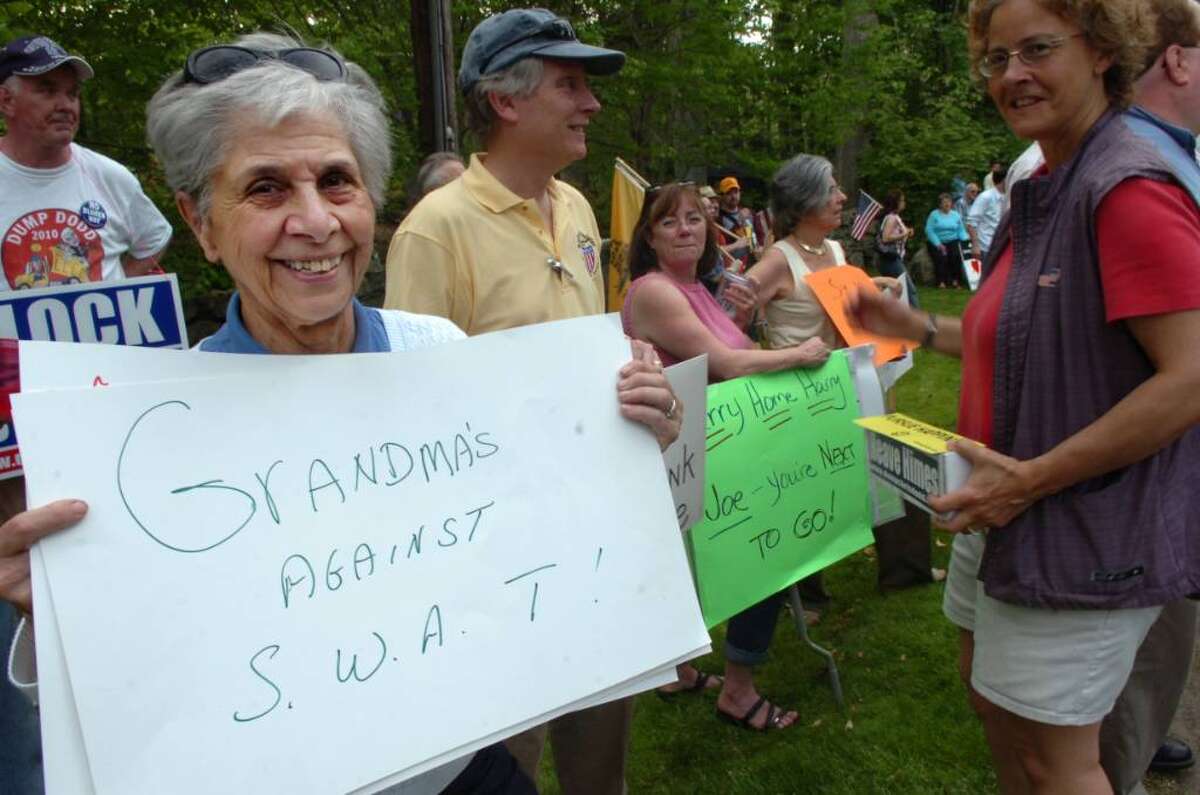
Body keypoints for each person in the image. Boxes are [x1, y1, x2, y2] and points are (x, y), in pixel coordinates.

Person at [2, 30, 679, 795]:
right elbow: (127, 708)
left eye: (336, 180)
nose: (315, 221)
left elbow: (534, 528)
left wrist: (628, 440)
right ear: (200, 225)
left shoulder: (442, 353)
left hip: (466, 772)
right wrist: (54, 611)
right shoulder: (152, 435)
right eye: (265, 188)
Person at [848, 1, 1200, 792]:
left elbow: (1192, 375)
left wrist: (1032, 478)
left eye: (1037, 50)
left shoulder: (1125, 185)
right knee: (994, 706)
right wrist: (921, 326)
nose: (1012, 76)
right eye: (996, 59)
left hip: (1077, 528)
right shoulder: (1044, 182)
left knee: (1057, 763)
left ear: (1104, 50)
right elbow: (1025, 335)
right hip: (1000, 512)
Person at [383, 9, 681, 793]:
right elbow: (410, 415)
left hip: (597, 529)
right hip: (498, 559)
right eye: (570, 84)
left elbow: (586, 344)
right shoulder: (434, 231)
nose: (593, 104)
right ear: (505, 101)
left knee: (600, 755)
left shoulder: (577, 208)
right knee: (507, 763)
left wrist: (635, 367)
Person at [620, 182, 830, 731]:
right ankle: (738, 690)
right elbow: (729, 367)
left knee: (690, 568)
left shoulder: (699, 289)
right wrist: (800, 354)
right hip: (685, 455)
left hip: (717, 447)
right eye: (670, 221)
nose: (686, 228)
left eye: (693, 218)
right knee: (761, 557)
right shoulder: (655, 290)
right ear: (649, 235)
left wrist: (747, 323)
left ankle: (681, 669)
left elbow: (735, 352)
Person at [746, 156, 939, 594]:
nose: (842, 197)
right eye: (832, 189)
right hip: (796, 396)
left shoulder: (831, 249)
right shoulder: (778, 259)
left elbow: (834, 297)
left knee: (892, 458)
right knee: (805, 487)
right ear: (803, 202)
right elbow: (731, 313)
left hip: (848, 381)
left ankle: (905, 570)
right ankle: (807, 592)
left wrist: (874, 287)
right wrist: (775, 351)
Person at [0, 36, 172, 290]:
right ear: (6, 101)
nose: (66, 105)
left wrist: (116, 289)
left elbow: (155, 239)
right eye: (47, 91)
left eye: (72, 94)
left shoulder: (109, 176)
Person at [876, 188, 919, 308]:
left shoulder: (895, 217)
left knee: (891, 289)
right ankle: (917, 319)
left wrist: (907, 232)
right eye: (902, 200)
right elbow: (886, 238)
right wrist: (904, 234)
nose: (904, 202)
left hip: (893, 258)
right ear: (896, 202)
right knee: (910, 289)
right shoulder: (891, 218)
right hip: (890, 259)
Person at [924, 193, 970, 288]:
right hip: (937, 241)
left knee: (956, 256)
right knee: (941, 257)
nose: (947, 204)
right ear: (940, 204)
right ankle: (941, 282)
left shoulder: (955, 215)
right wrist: (938, 244)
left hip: (952, 240)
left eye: (949, 202)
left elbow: (960, 230)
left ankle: (956, 281)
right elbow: (929, 230)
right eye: (944, 202)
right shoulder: (934, 215)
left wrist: (966, 240)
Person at [966, 163, 1007, 260]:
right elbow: (971, 223)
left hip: (1001, 245)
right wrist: (975, 246)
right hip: (987, 246)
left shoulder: (1007, 196)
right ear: (1005, 180)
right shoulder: (985, 197)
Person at [715, 176, 757, 270]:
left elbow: (753, 241)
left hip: (749, 265)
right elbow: (716, 251)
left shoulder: (748, 214)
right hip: (730, 266)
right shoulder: (717, 218)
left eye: (736, 192)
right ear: (722, 196)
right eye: (729, 193)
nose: (733, 196)